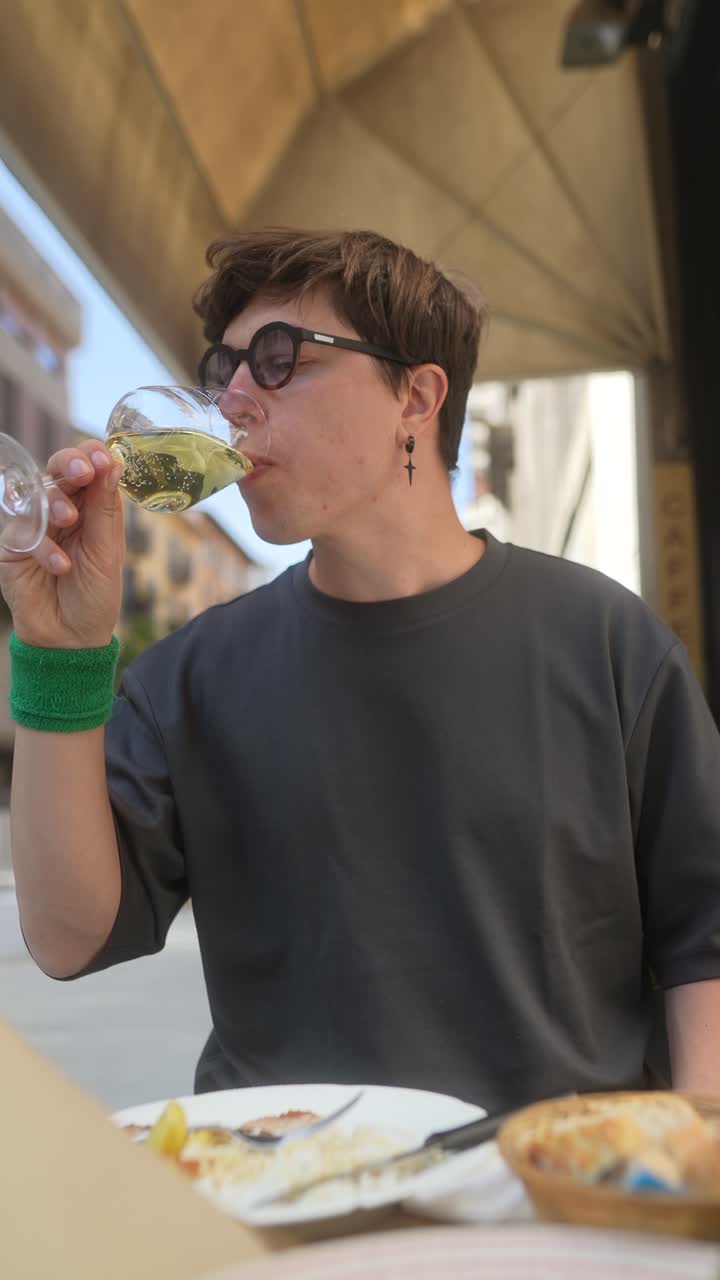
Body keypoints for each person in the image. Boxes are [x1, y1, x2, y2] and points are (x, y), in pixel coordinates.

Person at [2, 228, 720, 1114]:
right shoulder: (192, 676)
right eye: (224, 367)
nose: (234, 399)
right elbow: (66, 936)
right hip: (288, 1176)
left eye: (279, 359)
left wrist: (696, 1157)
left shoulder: (605, 642)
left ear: (417, 395)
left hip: (557, 1182)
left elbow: (704, 937)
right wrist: (61, 651)